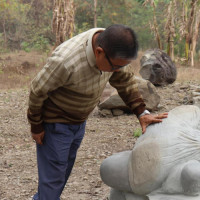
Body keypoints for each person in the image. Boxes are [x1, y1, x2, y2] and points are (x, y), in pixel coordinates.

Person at [27, 24, 168, 200]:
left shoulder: (113, 49)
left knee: (62, 171)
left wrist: (141, 112)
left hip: (78, 122)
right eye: (115, 66)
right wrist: (36, 126)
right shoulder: (65, 61)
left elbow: (125, 81)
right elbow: (37, 91)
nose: (117, 70)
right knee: (54, 176)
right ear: (99, 52)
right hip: (55, 122)